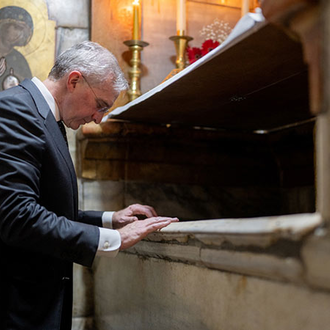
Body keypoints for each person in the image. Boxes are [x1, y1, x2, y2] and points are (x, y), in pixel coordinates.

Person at [0, 41, 178, 330]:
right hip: (18, 310)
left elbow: (46, 208)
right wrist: (114, 240)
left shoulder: (47, 116)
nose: (99, 118)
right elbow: (17, 217)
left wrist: (111, 220)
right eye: (100, 105)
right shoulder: (16, 110)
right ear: (74, 81)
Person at [0, 5, 34, 90]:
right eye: (16, 27)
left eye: (22, 30)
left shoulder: (19, 60)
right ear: (3, 27)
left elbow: (26, 90)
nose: (19, 34)